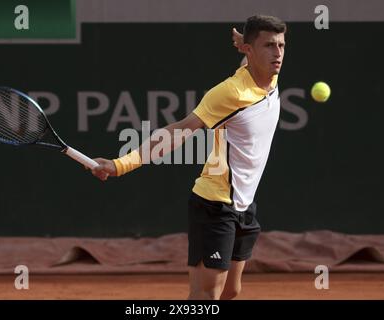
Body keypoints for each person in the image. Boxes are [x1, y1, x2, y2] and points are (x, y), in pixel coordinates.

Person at [90, 15, 286, 300]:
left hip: (244, 205)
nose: (278, 54)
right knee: (206, 296)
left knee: (231, 291)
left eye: (281, 45)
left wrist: (244, 44)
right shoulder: (229, 93)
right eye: (269, 46)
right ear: (250, 50)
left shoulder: (269, 73)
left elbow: (247, 64)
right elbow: (179, 131)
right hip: (215, 205)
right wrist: (122, 164)